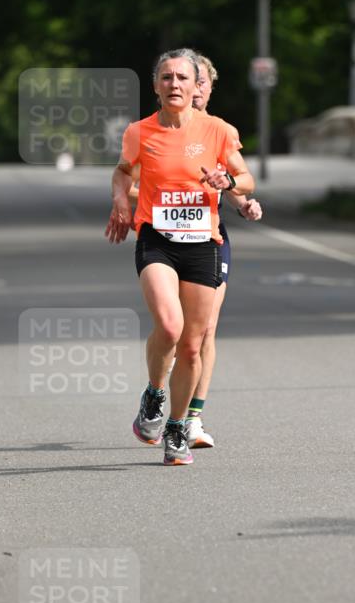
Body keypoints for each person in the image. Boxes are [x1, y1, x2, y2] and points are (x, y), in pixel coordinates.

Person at [105, 48, 255, 465]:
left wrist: (229, 181)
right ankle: (154, 394)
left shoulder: (218, 131)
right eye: (166, 78)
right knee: (169, 327)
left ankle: (176, 428)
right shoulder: (140, 132)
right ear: (155, 86)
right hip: (157, 239)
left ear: (196, 87)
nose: (175, 84)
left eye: (182, 79)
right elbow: (122, 171)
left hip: (203, 243)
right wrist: (120, 201)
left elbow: (245, 178)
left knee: (192, 345)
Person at [185, 53, 262, 448]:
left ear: (210, 88)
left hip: (211, 236)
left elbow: (230, 182)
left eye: (202, 83)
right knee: (176, 331)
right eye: (188, 81)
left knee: (206, 329)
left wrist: (242, 202)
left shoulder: (218, 132)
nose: (194, 90)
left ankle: (193, 419)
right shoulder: (161, 129)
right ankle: (157, 393)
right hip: (167, 242)